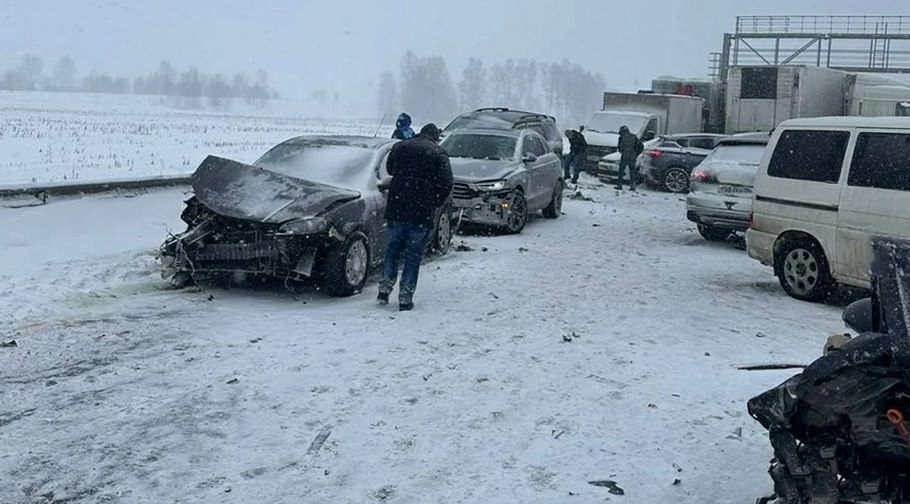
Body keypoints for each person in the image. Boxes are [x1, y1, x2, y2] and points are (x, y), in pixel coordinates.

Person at [378, 123, 453, 311]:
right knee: (413, 254)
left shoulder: (400, 146)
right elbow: (447, 182)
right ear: (435, 137)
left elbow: (390, 169)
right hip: (420, 210)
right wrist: (434, 201)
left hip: (397, 206)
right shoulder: (438, 153)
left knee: (393, 248)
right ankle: (405, 297)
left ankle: (384, 288)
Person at [615, 125, 643, 191]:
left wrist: (622, 151)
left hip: (624, 156)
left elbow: (619, 147)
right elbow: (641, 146)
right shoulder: (634, 137)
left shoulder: (621, 137)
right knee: (632, 171)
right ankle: (632, 185)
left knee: (621, 171)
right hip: (632, 156)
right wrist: (636, 153)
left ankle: (619, 185)